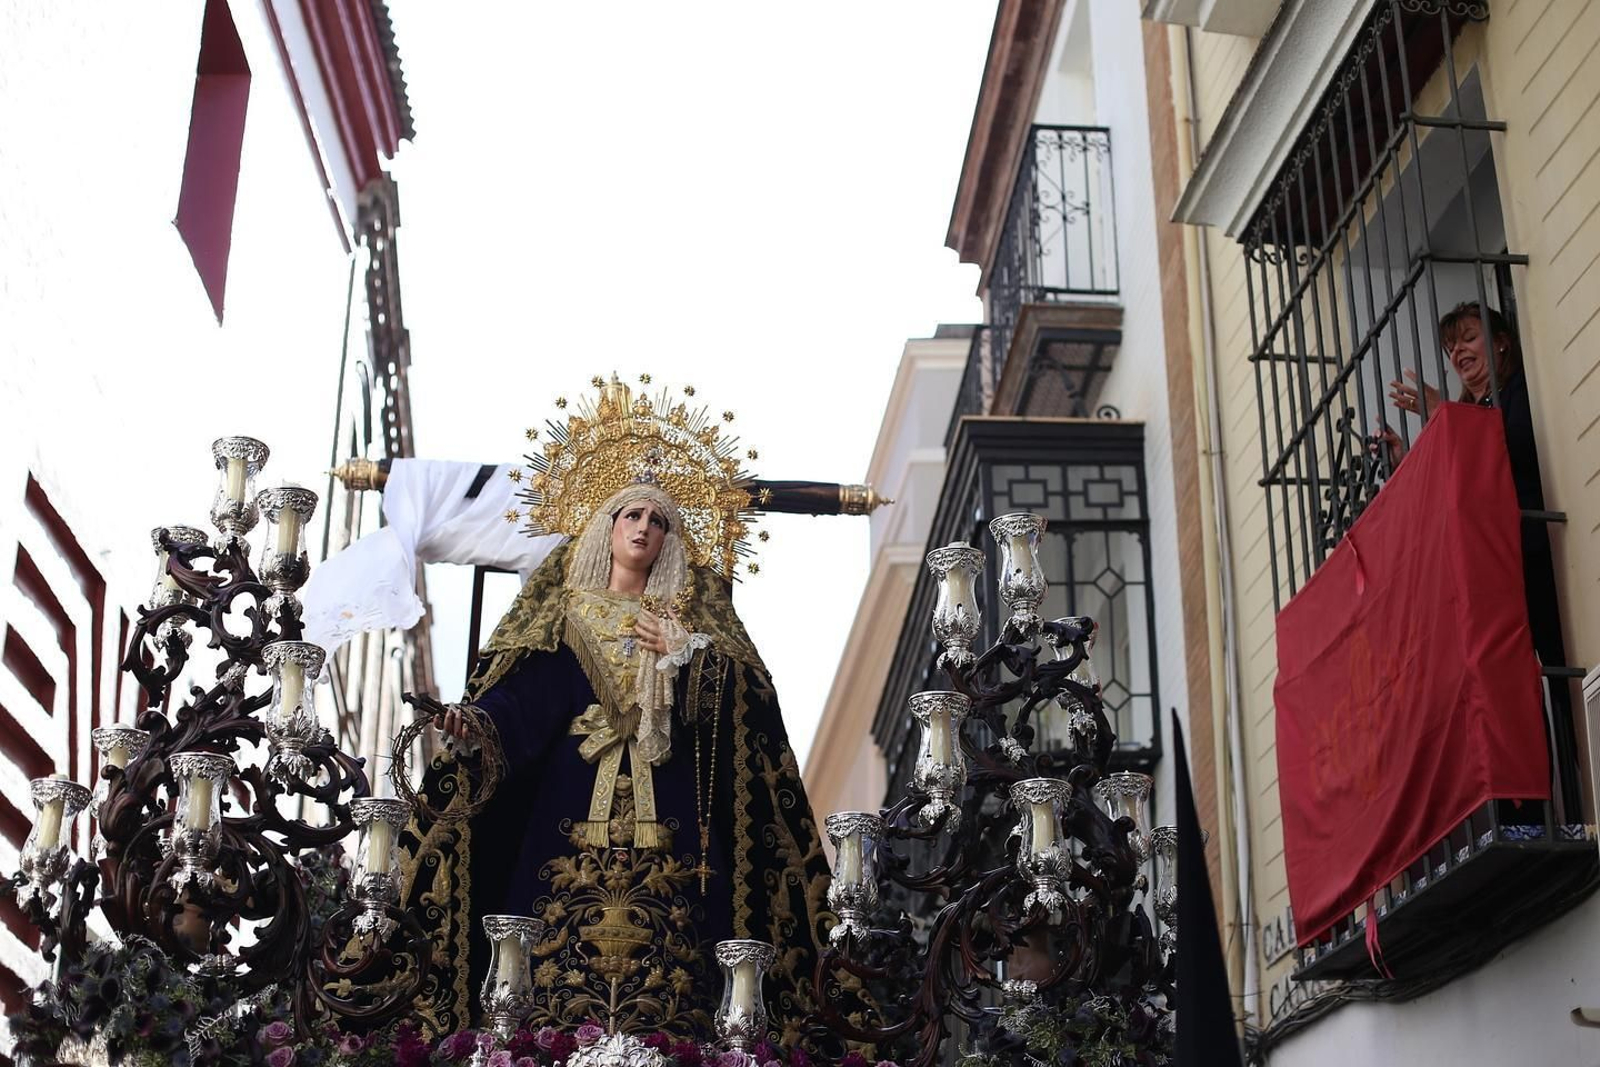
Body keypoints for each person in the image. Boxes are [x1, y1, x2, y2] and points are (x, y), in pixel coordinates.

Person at [345, 379, 836, 1044]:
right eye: (632, 513)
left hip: (672, 834)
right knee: (543, 987)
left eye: (659, 520)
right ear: (606, 526)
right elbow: (526, 701)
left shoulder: (691, 626)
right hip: (565, 827)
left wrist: (690, 656)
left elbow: (746, 726)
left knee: (678, 980)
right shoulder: (564, 615)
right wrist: (480, 724)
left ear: (670, 540)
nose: (644, 527)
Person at [1383, 302, 1565, 671]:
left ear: (1501, 344)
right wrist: (1406, 461)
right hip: (1488, 562)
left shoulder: (1521, 389)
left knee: (1557, 662)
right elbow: (1450, 489)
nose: (1457, 352)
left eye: (1468, 339)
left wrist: (1447, 417)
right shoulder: (1465, 410)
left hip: (1529, 548)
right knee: (1512, 677)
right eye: (1451, 348)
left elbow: (1518, 448)